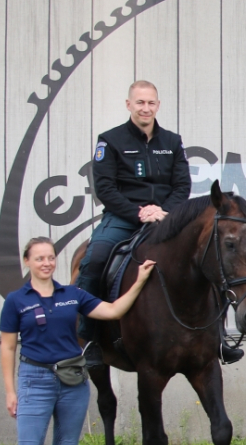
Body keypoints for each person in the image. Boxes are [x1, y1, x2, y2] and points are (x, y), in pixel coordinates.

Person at [0, 237, 156, 445]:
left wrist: (139, 281)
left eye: (50, 257)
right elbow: (7, 347)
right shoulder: (16, 301)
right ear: (27, 262)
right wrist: (10, 391)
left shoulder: (72, 295)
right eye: (39, 258)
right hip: (34, 381)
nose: (46, 263)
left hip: (72, 382)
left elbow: (113, 310)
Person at [78, 81, 230, 364]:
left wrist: (164, 211)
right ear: (129, 105)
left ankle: (219, 338)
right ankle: (88, 339)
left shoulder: (172, 141)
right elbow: (105, 189)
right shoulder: (109, 140)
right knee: (94, 259)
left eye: (150, 103)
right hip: (123, 218)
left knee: (212, 254)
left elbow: (182, 185)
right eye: (140, 102)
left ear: (158, 105)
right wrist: (138, 213)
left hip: (165, 218)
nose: (145, 108)